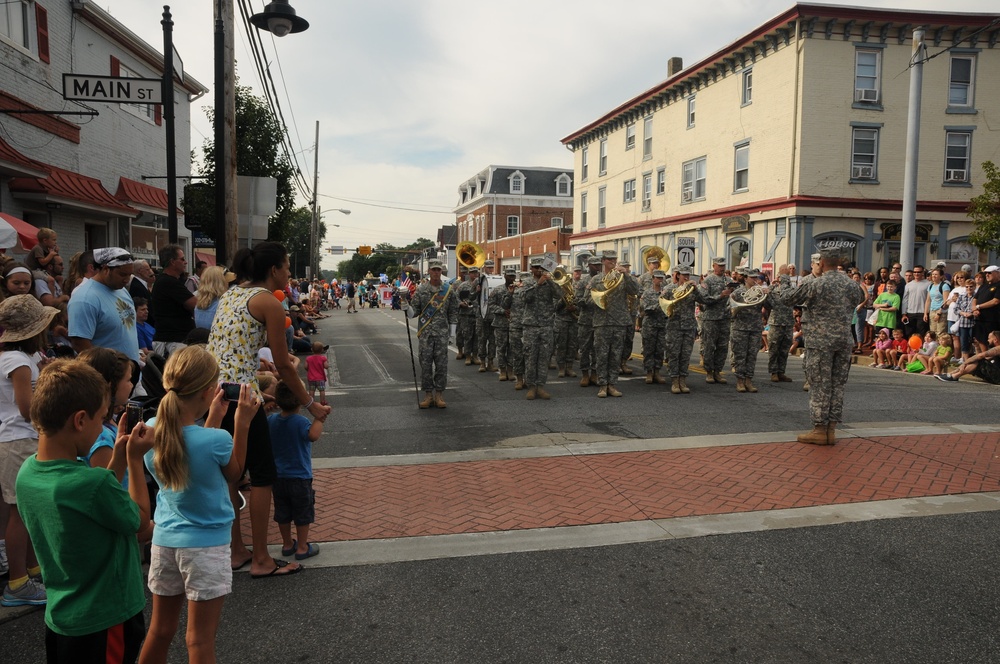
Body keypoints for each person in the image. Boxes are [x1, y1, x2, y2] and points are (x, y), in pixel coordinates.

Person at [207, 241, 330, 578]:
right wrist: (311, 406)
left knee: (230, 474)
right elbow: (284, 365)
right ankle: (261, 558)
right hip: (242, 397)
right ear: (274, 269)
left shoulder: (230, 294)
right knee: (263, 477)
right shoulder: (268, 303)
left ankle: (237, 550)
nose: (290, 273)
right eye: (287, 266)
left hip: (214, 394)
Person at [16, 360, 151, 663]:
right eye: (102, 419)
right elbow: (139, 521)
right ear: (79, 420)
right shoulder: (90, 483)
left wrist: (116, 458)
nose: (104, 426)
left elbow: (94, 501)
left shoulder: (27, 474)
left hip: (64, 616)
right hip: (107, 617)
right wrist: (134, 462)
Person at [139, 346, 259, 663]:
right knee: (199, 640)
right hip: (206, 546)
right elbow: (234, 471)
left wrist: (215, 416)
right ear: (209, 391)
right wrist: (241, 423)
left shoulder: (152, 431)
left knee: (159, 630)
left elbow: (190, 451)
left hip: (164, 541)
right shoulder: (216, 440)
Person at [0, 295, 59, 607]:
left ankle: (32, 570)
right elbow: (27, 409)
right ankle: (18, 583)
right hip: (19, 439)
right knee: (20, 512)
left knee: (25, 509)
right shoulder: (20, 363)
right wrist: (53, 394)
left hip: (14, 440)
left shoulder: (14, 359)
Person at [780, 248, 866, 445]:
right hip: (844, 340)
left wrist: (784, 278)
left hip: (820, 341)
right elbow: (861, 299)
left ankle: (819, 429)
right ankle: (831, 430)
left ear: (822, 262)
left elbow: (787, 299)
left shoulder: (816, 284)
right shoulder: (851, 285)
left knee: (819, 385)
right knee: (837, 385)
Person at [268, 380, 325, 562]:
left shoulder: (271, 420)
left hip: (278, 476)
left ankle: (286, 544)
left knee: (282, 511)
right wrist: (320, 418)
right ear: (301, 400)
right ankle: (302, 547)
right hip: (300, 477)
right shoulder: (301, 422)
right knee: (302, 512)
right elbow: (313, 436)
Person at [68, 248, 140, 363]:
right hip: (107, 375)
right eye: (122, 274)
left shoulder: (122, 290)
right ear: (106, 269)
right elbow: (79, 343)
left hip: (130, 373)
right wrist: (107, 367)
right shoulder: (85, 298)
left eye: (130, 274)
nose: (127, 279)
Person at [402, 258, 457, 408]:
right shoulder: (421, 290)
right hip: (426, 335)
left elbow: (453, 312)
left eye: (438, 270)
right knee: (425, 366)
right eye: (433, 270)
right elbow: (413, 313)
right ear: (429, 271)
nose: (436, 272)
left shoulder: (448, 290)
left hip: (441, 334)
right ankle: (428, 395)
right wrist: (405, 306)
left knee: (441, 366)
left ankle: (439, 394)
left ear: (441, 271)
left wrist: (452, 334)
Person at [589, 250, 640, 398]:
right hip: (602, 322)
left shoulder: (623, 278)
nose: (612, 262)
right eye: (609, 259)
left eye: (614, 259)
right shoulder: (596, 280)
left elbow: (635, 290)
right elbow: (585, 301)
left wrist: (627, 275)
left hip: (619, 322)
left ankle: (612, 384)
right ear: (603, 261)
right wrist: (599, 298)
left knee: (615, 356)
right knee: (601, 356)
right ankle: (602, 385)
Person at [521, 258, 561, 400]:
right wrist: (538, 284)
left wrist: (549, 281)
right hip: (531, 325)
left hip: (546, 325)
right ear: (531, 269)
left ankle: (541, 386)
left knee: (544, 357)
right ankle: (531, 386)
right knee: (531, 357)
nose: (539, 270)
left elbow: (559, 295)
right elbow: (525, 298)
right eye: (536, 268)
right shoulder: (527, 282)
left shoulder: (550, 283)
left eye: (541, 267)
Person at [151, 245, 197, 359]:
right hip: (172, 342)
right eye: (182, 259)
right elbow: (194, 304)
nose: (185, 262)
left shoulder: (169, 281)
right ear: (172, 262)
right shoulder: (168, 282)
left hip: (175, 340)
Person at [730, 269, 768, 393]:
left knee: (752, 355)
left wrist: (768, 294)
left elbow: (770, 307)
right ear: (746, 278)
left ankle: (748, 380)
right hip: (740, 327)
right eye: (752, 278)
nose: (755, 280)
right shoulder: (738, 292)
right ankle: (740, 381)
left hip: (755, 327)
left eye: (756, 278)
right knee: (740, 355)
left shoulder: (760, 292)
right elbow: (729, 307)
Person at [700, 257, 732, 384]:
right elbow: (704, 299)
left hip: (724, 317)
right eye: (719, 265)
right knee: (709, 345)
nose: (722, 268)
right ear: (714, 266)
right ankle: (708, 372)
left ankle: (717, 371)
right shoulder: (708, 280)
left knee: (722, 346)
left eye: (723, 265)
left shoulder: (728, 280)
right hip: (711, 318)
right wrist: (721, 295)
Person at [575, 256, 602, 387]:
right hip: (585, 320)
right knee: (585, 348)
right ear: (589, 266)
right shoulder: (582, 282)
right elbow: (577, 300)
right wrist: (589, 300)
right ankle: (585, 374)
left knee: (597, 349)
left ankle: (595, 373)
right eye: (595, 265)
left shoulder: (604, 280)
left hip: (600, 320)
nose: (597, 267)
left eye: (599, 265)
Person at [766, 268, 795, 382]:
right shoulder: (773, 291)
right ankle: (773, 372)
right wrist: (771, 287)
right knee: (774, 349)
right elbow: (767, 304)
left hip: (788, 323)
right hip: (776, 323)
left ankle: (781, 372)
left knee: (784, 350)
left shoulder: (792, 291)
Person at [640, 269, 668, 385]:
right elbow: (646, 308)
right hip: (650, 324)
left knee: (660, 349)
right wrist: (660, 301)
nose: (659, 280)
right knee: (649, 349)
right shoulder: (647, 293)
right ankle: (649, 372)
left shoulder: (666, 292)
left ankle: (657, 371)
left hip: (662, 324)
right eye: (657, 278)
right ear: (653, 279)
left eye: (661, 278)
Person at [489, 268, 516, 382]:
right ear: (505, 276)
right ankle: (503, 370)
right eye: (509, 276)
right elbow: (490, 305)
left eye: (513, 276)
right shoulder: (498, 290)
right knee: (501, 348)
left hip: (514, 324)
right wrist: (502, 311)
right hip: (500, 324)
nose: (511, 278)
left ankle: (510, 370)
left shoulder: (518, 290)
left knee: (512, 348)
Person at [972, 265, 1000, 354]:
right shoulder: (983, 286)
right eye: (986, 273)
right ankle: (985, 362)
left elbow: (995, 301)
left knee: (994, 341)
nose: (987, 275)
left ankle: (994, 362)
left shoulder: (999, 285)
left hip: (993, 320)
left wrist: (979, 307)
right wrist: (974, 309)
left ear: (997, 273)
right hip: (980, 319)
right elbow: (975, 299)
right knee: (981, 340)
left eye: (989, 273)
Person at [900, 265, 930, 339]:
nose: (916, 274)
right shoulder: (908, 285)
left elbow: (929, 299)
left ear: (923, 272)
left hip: (922, 313)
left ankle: (921, 350)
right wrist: (904, 313)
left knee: (921, 333)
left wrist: (926, 312)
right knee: (909, 333)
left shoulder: (929, 284)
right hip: (910, 313)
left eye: (919, 272)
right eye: (915, 272)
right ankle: (910, 349)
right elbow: (905, 300)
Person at [925, 268, 951, 338]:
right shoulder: (930, 286)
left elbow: (945, 301)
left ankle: (941, 348)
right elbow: (928, 300)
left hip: (941, 312)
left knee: (940, 332)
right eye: (933, 274)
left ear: (941, 276)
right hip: (932, 310)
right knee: (932, 333)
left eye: (936, 274)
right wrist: (925, 313)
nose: (934, 276)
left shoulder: (944, 286)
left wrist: (939, 313)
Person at [305, 342, 329, 406]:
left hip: (311, 378)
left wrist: (309, 370)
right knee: (322, 390)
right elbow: (326, 366)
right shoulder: (323, 358)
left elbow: (306, 367)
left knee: (312, 390)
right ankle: (322, 401)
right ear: (322, 350)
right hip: (320, 378)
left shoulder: (308, 358)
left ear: (311, 349)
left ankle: (311, 402)